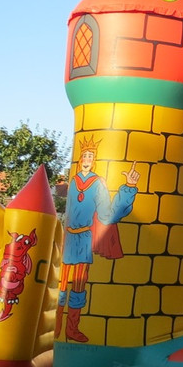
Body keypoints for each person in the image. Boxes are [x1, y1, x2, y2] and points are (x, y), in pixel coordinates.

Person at [56, 136, 139, 342]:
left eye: (90, 156)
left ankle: (72, 328)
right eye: (84, 155)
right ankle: (55, 326)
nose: (86, 159)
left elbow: (107, 215)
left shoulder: (97, 183)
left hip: (84, 237)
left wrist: (128, 187)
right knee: (62, 284)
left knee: (78, 285)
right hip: (69, 238)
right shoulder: (73, 181)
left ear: (94, 161)